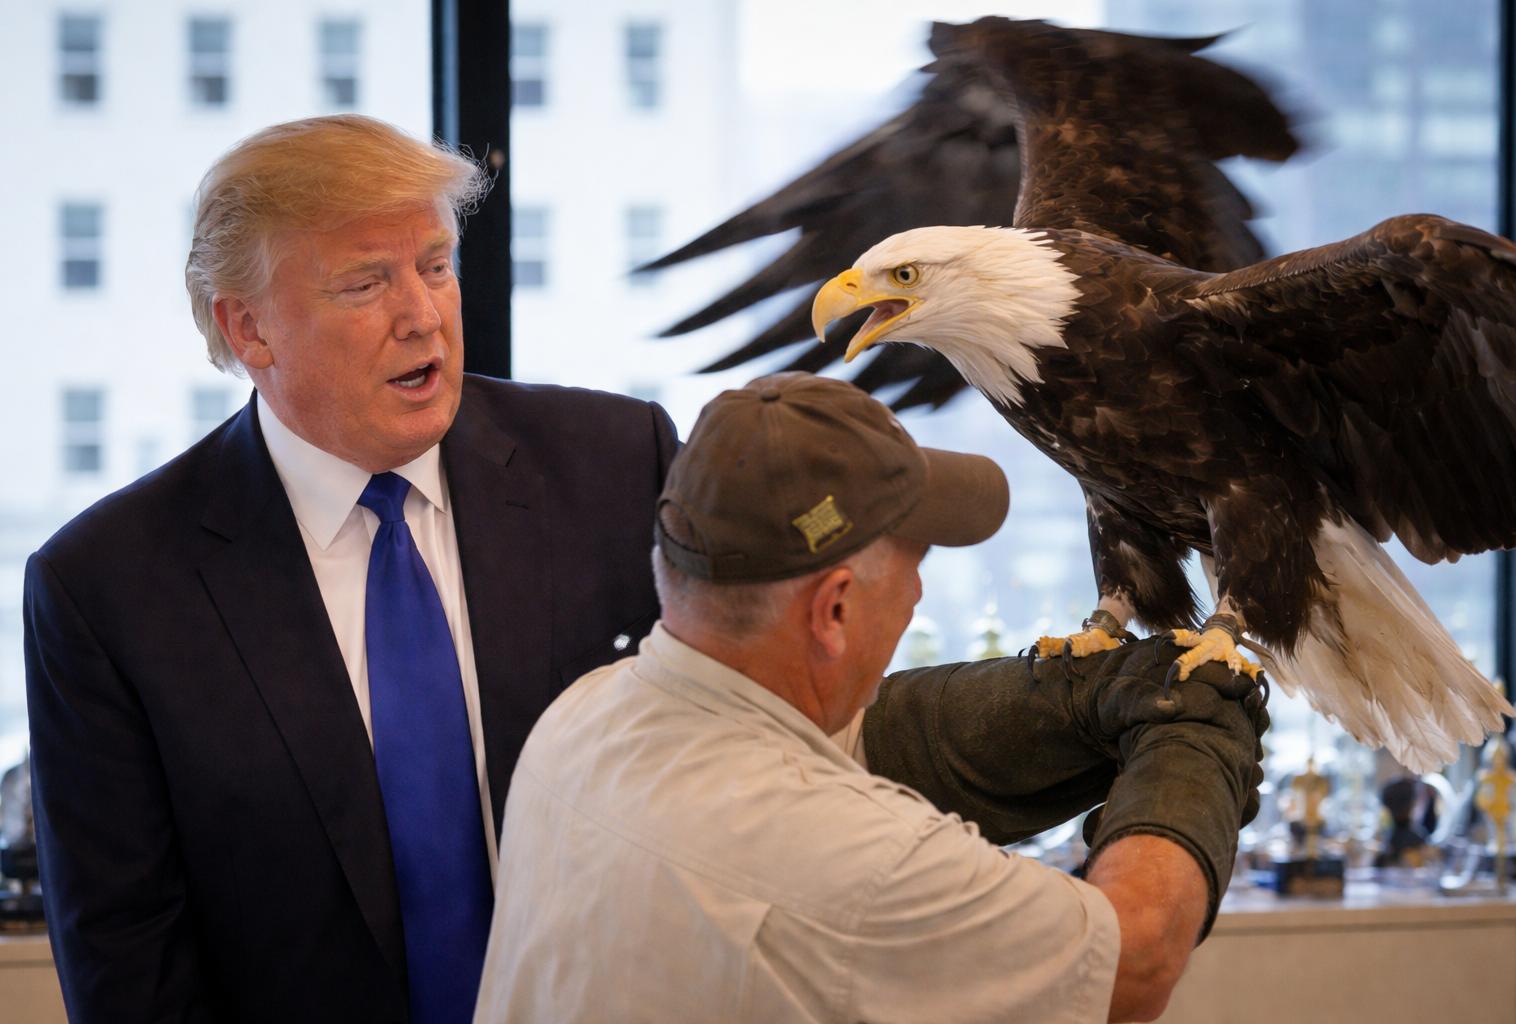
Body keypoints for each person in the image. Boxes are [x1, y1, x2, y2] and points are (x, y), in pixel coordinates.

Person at [23, 115, 678, 1023]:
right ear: (248, 327)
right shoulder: (109, 588)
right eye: (366, 283)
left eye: (436, 265)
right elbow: (127, 962)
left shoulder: (616, 464)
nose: (423, 314)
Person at [475, 372, 1268, 1024]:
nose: (920, 592)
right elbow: (1134, 959)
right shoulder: (866, 868)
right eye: (915, 561)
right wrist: (1195, 745)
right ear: (835, 610)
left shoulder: (580, 720)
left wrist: (1060, 708)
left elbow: (847, 742)